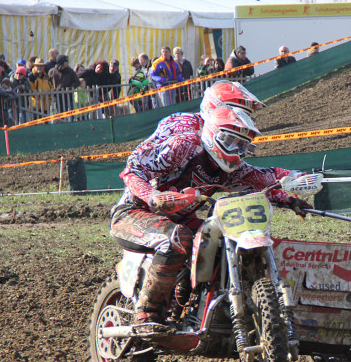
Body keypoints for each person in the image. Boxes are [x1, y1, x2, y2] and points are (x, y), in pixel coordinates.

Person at [109, 107, 310, 324]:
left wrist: (293, 195)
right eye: (231, 141)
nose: (236, 151)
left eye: (242, 145)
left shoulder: (233, 170)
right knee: (177, 239)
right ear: (214, 134)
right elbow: (133, 168)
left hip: (180, 220)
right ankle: (147, 313)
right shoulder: (185, 146)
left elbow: (264, 178)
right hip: (134, 212)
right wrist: (152, 196)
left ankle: (189, 307)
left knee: (217, 240)